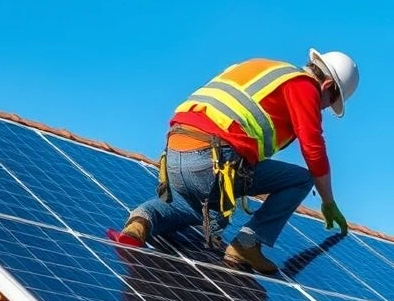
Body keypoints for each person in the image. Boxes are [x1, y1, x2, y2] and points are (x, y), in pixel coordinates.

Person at [108, 47, 359, 275]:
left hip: (175, 153)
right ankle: (247, 244)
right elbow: (313, 148)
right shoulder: (305, 86)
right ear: (326, 86)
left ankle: (140, 222)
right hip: (215, 158)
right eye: (328, 104)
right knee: (301, 179)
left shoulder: (263, 67)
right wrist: (328, 202)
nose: (323, 109)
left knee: (203, 213)